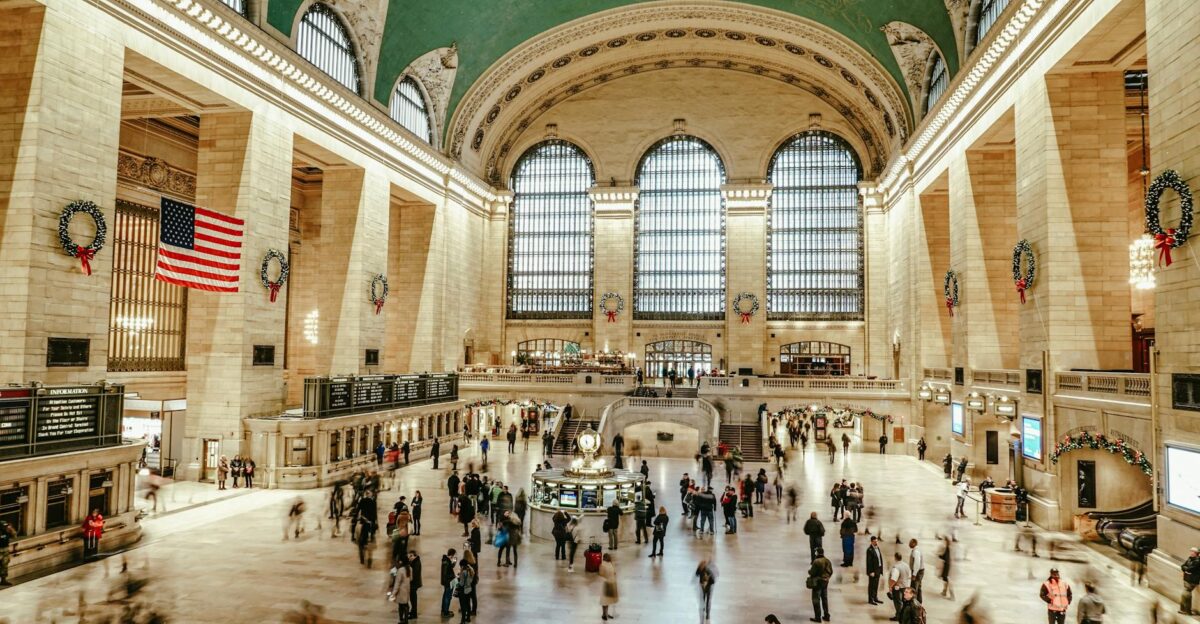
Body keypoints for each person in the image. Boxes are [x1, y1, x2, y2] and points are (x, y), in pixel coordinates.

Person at [807, 547, 833, 622]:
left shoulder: (816, 561)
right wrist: (826, 577)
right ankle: (826, 615)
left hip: (818, 583)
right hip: (825, 582)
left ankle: (817, 617)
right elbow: (831, 572)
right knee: (824, 598)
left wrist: (809, 571)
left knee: (816, 599)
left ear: (817, 553)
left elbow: (812, 572)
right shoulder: (827, 561)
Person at [888, 551, 912, 621]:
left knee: (898, 603)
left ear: (895, 558)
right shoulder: (906, 565)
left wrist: (890, 586)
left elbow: (894, 579)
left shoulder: (896, 567)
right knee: (904, 602)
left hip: (898, 588)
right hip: (905, 586)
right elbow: (909, 576)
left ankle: (899, 616)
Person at [599, 552, 619, 621]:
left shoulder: (603, 564)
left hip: (606, 583)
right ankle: (606, 614)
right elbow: (615, 573)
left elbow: (601, 574)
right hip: (612, 583)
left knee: (604, 600)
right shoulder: (611, 564)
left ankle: (604, 614)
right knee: (607, 600)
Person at [866, 535, 885, 605]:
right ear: (871, 542)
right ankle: (870, 599)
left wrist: (881, 569)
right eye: (874, 542)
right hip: (873, 571)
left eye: (877, 541)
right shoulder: (869, 550)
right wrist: (871, 572)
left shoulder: (877, 548)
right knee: (871, 585)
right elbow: (869, 562)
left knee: (876, 585)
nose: (876, 543)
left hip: (878, 569)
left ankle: (875, 597)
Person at [1182, 546, 1200, 615]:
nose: (1191, 553)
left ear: (1197, 553)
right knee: (1186, 592)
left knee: (1186, 592)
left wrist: (1186, 569)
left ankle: (1185, 610)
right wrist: (1186, 570)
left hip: (1192, 579)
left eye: (1193, 552)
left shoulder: (1197, 561)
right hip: (1188, 578)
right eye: (1191, 551)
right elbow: (1182, 566)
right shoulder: (1190, 559)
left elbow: (1190, 569)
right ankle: (1186, 610)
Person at [440, 548, 458, 619]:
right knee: (448, 597)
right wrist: (452, 578)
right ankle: (446, 612)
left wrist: (454, 562)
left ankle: (444, 610)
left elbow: (451, 567)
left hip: (448, 582)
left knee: (445, 596)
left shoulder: (446, 560)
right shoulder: (446, 562)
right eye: (454, 555)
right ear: (452, 555)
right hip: (449, 582)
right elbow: (445, 573)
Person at [455, 559, 474, 624]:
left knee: (463, 605)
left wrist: (457, 579)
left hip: (463, 591)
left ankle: (463, 620)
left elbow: (461, 583)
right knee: (468, 604)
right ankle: (468, 618)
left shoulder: (463, 572)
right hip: (469, 589)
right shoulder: (470, 570)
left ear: (462, 565)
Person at [0, 518, 16, 586]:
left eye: (6, 526)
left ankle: (3, 580)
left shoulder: (7, 530)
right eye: (4, 526)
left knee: (5, 565)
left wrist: (11, 529)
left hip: (5, 549)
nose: (5, 527)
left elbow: (14, 536)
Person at [909, 538, 925, 603]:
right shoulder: (916, 549)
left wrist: (914, 574)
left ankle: (914, 604)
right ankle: (919, 602)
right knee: (918, 587)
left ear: (914, 543)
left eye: (910, 542)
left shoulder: (916, 551)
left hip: (918, 572)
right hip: (920, 571)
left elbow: (917, 564)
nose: (909, 544)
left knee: (914, 588)